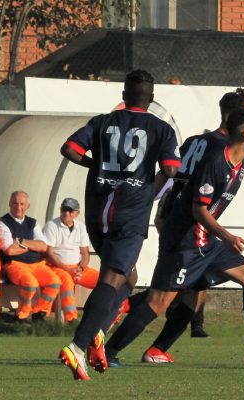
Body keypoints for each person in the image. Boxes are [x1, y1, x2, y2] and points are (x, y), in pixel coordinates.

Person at [104, 108, 244, 369]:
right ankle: (108, 351)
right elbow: (199, 209)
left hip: (206, 241)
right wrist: (227, 235)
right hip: (185, 241)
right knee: (159, 301)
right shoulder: (216, 162)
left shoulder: (237, 161)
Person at [58, 69, 181, 381]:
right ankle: (78, 344)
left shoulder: (102, 121)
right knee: (113, 278)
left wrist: (95, 164)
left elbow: (69, 149)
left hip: (98, 210)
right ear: (151, 100)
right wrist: (148, 190)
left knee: (127, 277)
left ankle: (97, 333)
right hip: (130, 212)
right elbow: (169, 168)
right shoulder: (161, 128)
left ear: (123, 96)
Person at [0, 191, 61, 322]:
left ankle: (39, 313)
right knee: (30, 284)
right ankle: (22, 315)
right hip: (14, 265)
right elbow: (9, 250)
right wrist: (31, 246)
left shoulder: (32, 223)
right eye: (15, 203)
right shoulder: (2, 223)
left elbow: (43, 246)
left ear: (28, 206)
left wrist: (20, 241)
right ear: (9, 204)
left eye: (22, 204)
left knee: (55, 282)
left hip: (37, 265)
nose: (19, 207)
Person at [43, 198, 100, 324]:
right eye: (64, 210)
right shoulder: (52, 225)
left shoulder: (81, 227)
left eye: (70, 210)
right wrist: (67, 268)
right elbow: (49, 253)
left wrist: (81, 268)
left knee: (104, 282)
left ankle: (100, 315)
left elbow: (85, 253)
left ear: (77, 213)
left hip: (77, 267)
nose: (66, 213)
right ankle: (71, 319)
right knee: (67, 280)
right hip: (56, 267)